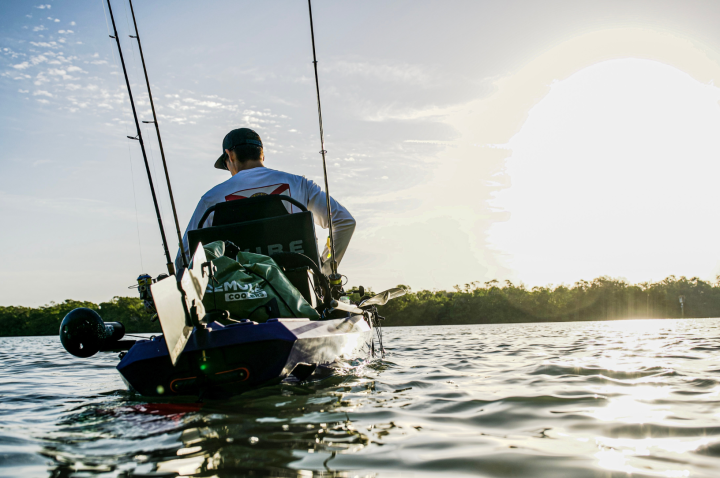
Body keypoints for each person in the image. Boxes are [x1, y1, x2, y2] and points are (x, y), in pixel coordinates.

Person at [176, 127, 355, 276]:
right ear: (262, 154)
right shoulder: (300, 184)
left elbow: (184, 257)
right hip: (302, 291)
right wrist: (324, 269)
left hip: (239, 296)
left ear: (230, 156)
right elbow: (344, 221)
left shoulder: (211, 198)